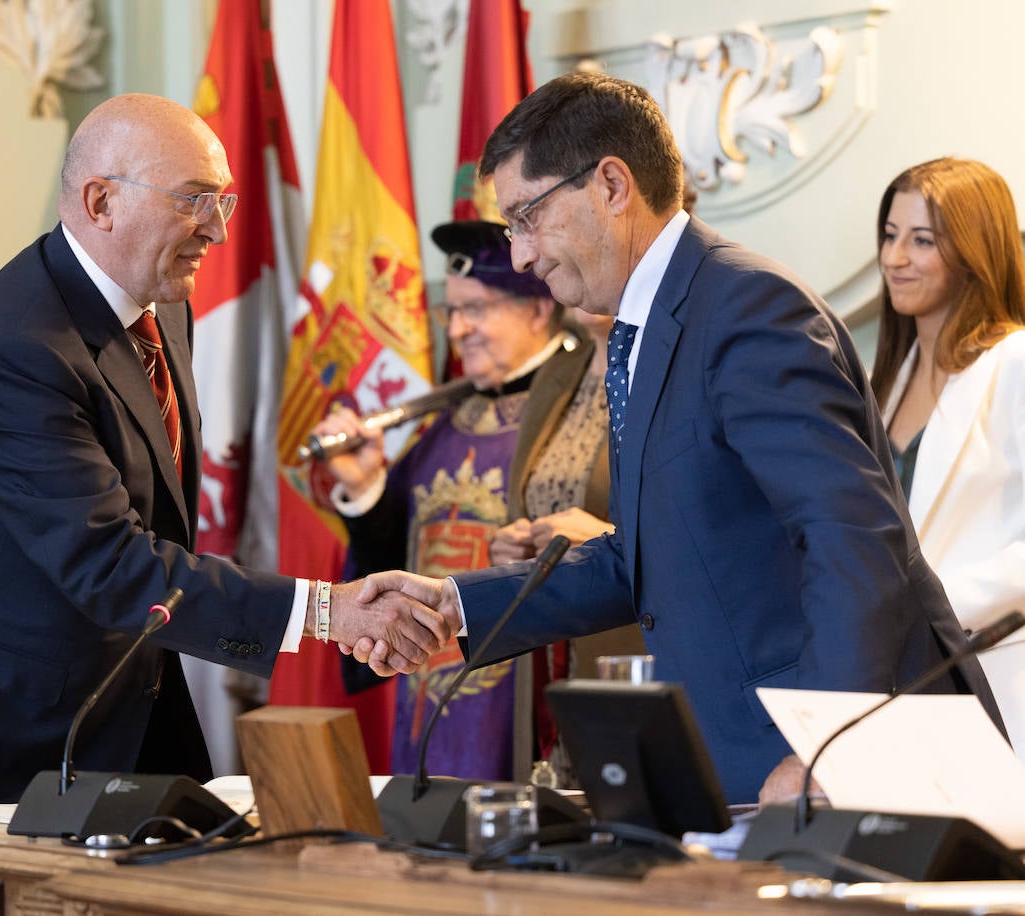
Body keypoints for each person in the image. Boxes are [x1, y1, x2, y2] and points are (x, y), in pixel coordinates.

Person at [351, 72, 1003, 806]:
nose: (524, 255)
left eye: (528, 217)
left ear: (611, 185)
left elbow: (848, 534)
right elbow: (646, 552)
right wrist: (455, 605)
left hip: (846, 760)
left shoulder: (749, 309)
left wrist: (828, 744)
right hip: (746, 754)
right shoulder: (648, 328)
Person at [0, 94, 449, 820]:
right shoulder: (15, 350)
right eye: (194, 199)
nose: (218, 230)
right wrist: (326, 611)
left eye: (223, 199)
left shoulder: (161, 302)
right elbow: (110, 564)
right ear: (101, 202)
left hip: (113, 705)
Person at [309, 220, 613, 782]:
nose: (460, 329)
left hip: (532, 699)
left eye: (479, 308)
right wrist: (366, 486)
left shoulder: (584, 399)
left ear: (538, 310)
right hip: (432, 700)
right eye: (452, 312)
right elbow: (395, 563)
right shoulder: (445, 424)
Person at [870, 157, 1025, 758]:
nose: (895, 258)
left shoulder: (1014, 365)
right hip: (901, 683)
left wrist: (933, 607)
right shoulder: (883, 383)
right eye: (889, 235)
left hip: (995, 675)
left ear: (974, 252)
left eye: (922, 240)